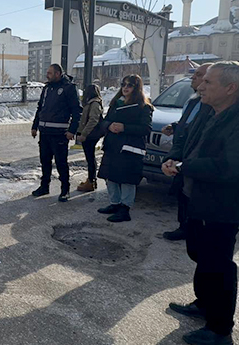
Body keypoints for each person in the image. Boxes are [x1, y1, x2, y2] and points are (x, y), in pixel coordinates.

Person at [162, 61, 239, 345]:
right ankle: (204, 303)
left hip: (222, 205)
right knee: (199, 253)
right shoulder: (211, 111)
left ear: (230, 88)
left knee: (218, 263)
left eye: (208, 82)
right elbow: (188, 141)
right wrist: (176, 159)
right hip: (196, 197)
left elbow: (229, 167)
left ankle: (220, 328)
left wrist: (186, 166)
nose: (200, 86)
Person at [161, 63, 212, 241]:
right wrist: (175, 127)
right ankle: (184, 226)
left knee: (191, 194)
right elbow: (189, 126)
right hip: (182, 154)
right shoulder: (193, 101)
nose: (194, 78)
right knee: (182, 193)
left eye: (199, 76)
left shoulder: (212, 106)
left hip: (195, 158)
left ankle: (191, 229)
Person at [96, 74, 153, 222]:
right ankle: (114, 203)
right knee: (111, 176)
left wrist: (124, 127)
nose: (125, 88)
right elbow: (104, 121)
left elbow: (145, 129)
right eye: (123, 84)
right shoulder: (116, 102)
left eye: (129, 85)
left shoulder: (143, 106)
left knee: (127, 179)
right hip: (113, 145)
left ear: (137, 88)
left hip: (129, 148)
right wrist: (109, 126)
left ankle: (124, 209)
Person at [31, 64, 83, 202]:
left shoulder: (69, 88)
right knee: (45, 161)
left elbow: (77, 111)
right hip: (45, 132)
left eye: (50, 73)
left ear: (58, 73)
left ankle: (65, 189)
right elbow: (40, 108)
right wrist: (35, 126)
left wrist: (72, 130)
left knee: (61, 163)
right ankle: (44, 186)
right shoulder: (47, 88)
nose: (47, 75)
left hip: (60, 133)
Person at [75, 83, 105, 192]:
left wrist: (84, 134)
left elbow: (93, 120)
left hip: (90, 135)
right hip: (91, 134)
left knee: (90, 158)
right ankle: (91, 180)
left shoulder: (94, 103)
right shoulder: (94, 102)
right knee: (90, 157)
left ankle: (91, 181)